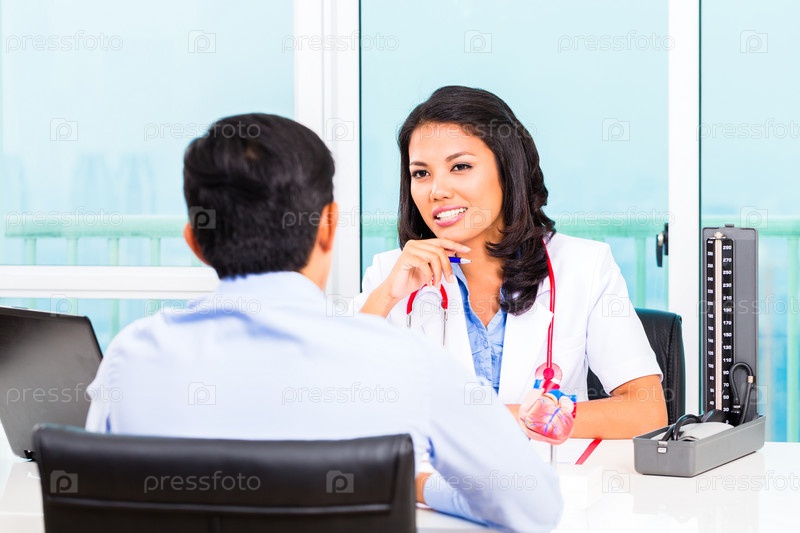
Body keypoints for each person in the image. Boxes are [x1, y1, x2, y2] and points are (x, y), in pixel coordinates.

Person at [85, 113, 562, 532]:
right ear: (329, 227)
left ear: (195, 242)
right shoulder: (405, 364)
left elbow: (96, 502)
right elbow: (535, 507)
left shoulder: (131, 357)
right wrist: (425, 488)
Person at [357, 86, 668, 439]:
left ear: (508, 169)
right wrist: (385, 297)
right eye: (421, 173)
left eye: (460, 166)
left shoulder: (585, 267)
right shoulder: (389, 276)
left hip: (550, 473)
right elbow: (341, 407)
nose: (437, 190)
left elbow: (646, 412)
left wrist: (487, 420)